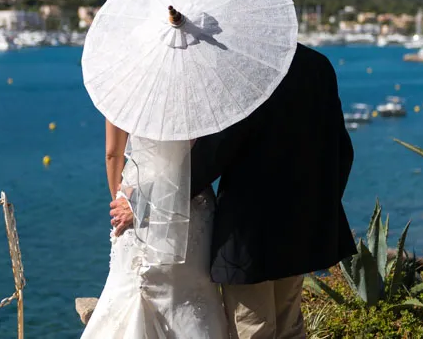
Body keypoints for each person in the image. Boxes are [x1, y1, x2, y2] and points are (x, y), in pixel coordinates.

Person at [112, 42, 356, 338]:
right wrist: (320, 206)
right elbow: (342, 149)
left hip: (249, 232)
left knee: (254, 329)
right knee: (290, 327)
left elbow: (213, 154)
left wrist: (146, 202)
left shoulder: (246, 73)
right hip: (302, 226)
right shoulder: (318, 64)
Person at [81, 121, 229, 338]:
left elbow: (113, 153)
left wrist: (124, 204)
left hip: (135, 193)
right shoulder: (196, 90)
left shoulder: (121, 88)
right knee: (188, 295)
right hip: (190, 200)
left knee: (133, 289)